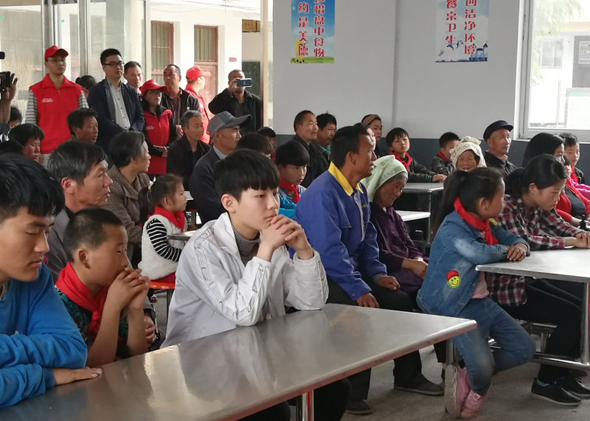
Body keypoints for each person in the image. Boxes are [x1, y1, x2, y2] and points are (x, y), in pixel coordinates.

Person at [164, 149, 350, 421]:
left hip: (258, 353)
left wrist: (304, 251)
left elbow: (311, 302)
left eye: (274, 193)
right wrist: (265, 251)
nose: (273, 204)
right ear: (229, 202)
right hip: (206, 362)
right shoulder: (203, 249)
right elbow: (242, 313)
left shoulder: (268, 238)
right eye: (260, 196)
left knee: (334, 389)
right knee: (272, 414)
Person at [296, 124, 442, 415]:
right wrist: (359, 288)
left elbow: (367, 239)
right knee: (359, 311)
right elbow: (329, 252)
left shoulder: (359, 189)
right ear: (351, 157)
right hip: (321, 275)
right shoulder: (323, 193)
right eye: (371, 151)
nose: (375, 157)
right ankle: (351, 392)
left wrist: (376, 274)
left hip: (350, 271)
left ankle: (408, 375)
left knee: (399, 301)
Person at [417, 168, 535, 418]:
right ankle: (478, 385)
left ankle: (469, 375)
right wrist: (507, 250)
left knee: (523, 348)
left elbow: (512, 237)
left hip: (479, 301)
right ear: (484, 203)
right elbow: (477, 253)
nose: (505, 203)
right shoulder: (453, 227)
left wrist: (520, 245)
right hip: (454, 304)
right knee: (482, 367)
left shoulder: (484, 224)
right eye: (501, 197)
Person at [489, 154, 590, 405]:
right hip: (507, 287)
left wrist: (580, 233)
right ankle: (545, 381)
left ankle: (563, 374)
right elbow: (526, 242)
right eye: (554, 192)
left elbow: (558, 224)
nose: (558, 198)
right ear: (533, 188)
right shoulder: (507, 207)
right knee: (571, 316)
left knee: (581, 307)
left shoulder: (537, 205)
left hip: (529, 279)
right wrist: (570, 241)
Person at [0, 154, 99, 408]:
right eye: (32, 231)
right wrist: (44, 376)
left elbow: (73, 350)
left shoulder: (35, 278)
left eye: (47, 231)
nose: (44, 247)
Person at [56, 208, 151, 367]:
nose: (125, 262)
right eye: (118, 251)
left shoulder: (107, 288)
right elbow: (94, 367)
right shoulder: (58, 304)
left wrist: (135, 309)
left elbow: (138, 359)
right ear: (84, 257)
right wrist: (112, 307)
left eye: (125, 250)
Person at [363, 156, 427, 300]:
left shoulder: (392, 213)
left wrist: (418, 259)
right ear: (380, 183)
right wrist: (410, 264)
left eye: (401, 188)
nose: (398, 193)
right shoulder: (369, 215)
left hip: (408, 264)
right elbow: (379, 255)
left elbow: (409, 243)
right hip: (390, 270)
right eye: (396, 186)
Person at [26, 46, 88, 161]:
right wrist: (35, 150)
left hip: (74, 151)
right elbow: (30, 125)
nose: (60, 63)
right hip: (46, 152)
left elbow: (87, 121)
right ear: (46, 64)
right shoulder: (36, 91)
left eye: (62, 60)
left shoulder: (77, 90)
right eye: (54, 60)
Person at [189, 111, 250, 223]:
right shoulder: (203, 169)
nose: (239, 136)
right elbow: (211, 209)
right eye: (234, 130)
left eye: (239, 130)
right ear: (217, 135)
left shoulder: (242, 162)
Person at [103, 132, 151, 266]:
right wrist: (160, 238)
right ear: (132, 158)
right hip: (126, 253)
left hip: (146, 245)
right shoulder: (111, 187)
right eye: (146, 152)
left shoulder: (143, 179)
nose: (149, 156)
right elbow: (126, 230)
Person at [87, 48, 145, 154]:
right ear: (104, 67)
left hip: (132, 144)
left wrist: (133, 132)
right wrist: (123, 135)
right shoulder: (97, 91)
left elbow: (140, 116)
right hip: (110, 144)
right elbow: (101, 118)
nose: (118, 67)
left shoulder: (131, 91)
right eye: (112, 64)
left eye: (120, 63)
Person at [138, 174, 187, 282]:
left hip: (175, 269)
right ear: (167, 201)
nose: (185, 197)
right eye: (181, 194)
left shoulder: (177, 218)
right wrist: (186, 255)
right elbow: (162, 249)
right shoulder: (157, 221)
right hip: (160, 272)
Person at [167, 110, 211, 190]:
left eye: (201, 126)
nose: (200, 130)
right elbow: (176, 177)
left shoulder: (207, 149)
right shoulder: (175, 149)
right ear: (185, 129)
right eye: (196, 126)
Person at [140, 79, 175, 177]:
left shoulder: (167, 113)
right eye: (153, 92)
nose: (157, 95)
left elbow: (174, 135)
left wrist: (168, 148)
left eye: (159, 93)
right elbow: (142, 138)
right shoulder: (141, 115)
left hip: (165, 164)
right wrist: (157, 152)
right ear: (145, 96)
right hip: (147, 165)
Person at [209, 69, 262, 134]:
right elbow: (212, 108)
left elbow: (260, 124)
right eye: (235, 79)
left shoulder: (255, 101)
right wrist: (228, 90)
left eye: (241, 78)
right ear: (229, 83)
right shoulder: (224, 98)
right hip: (230, 137)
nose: (238, 81)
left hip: (249, 138)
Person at [160, 64, 200, 140]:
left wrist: (184, 128)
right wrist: (174, 127)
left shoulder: (191, 100)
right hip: (166, 141)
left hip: (186, 141)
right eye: (165, 75)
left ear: (180, 78)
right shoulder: (160, 99)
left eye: (171, 75)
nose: (167, 78)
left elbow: (197, 122)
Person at [291, 110, 329, 187]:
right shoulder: (292, 149)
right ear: (299, 126)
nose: (315, 128)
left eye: (316, 124)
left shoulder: (315, 149)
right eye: (311, 124)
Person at [556, 155, 590, 228]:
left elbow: (586, 201)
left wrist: (588, 218)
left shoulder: (567, 182)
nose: (563, 160)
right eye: (559, 154)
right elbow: (554, 212)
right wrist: (581, 224)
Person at [185, 65, 213, 143]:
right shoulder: (188, 97)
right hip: (198, 141)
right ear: (199, 79)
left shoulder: (198, 96)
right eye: (203, 78)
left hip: (205, 140)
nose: (204, 81)